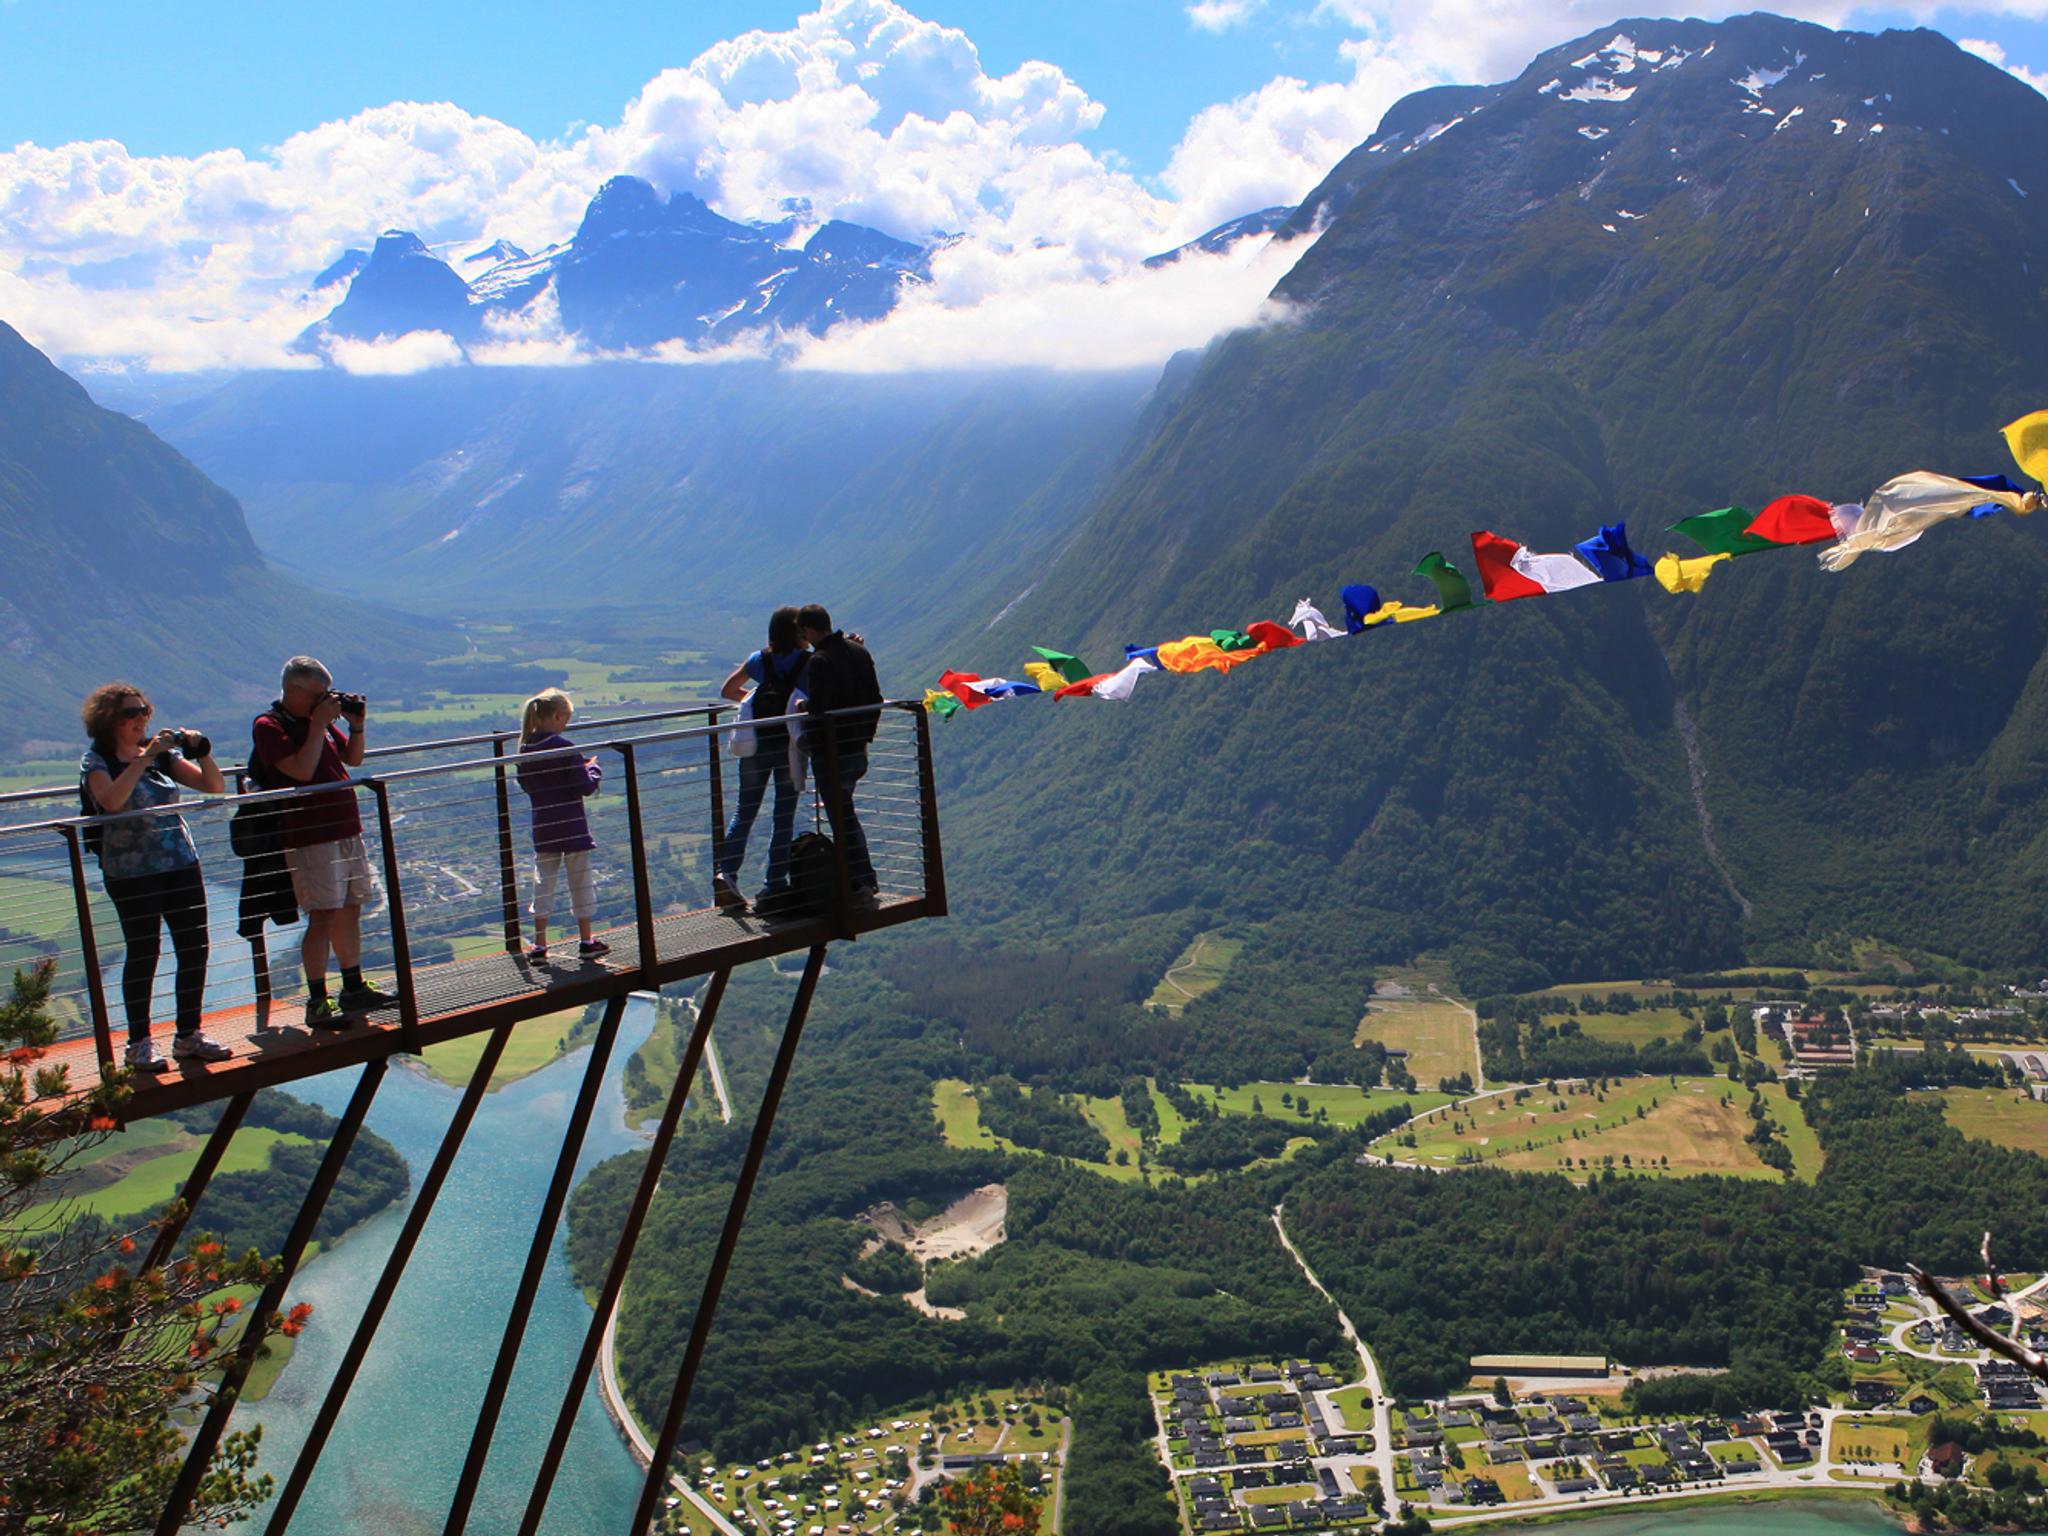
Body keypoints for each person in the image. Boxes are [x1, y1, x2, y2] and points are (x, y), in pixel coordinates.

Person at [79, 683, 232, 1069]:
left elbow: (212, 785)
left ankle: (188, 1034)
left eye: (143, 709)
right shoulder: (96, 760)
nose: (141, 718)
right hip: (131, 873)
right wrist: (144, 759)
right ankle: (139, 1043)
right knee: (144, 951)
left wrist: (203, 752)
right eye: (131, 713)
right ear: (110, 720)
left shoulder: (162, 755)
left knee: (194, 946)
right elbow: (111, 802)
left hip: (180, 862)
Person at [250, 657, 392, 1029]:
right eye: (317, 694)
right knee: (322, 915)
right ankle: (317, 1000)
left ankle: (353, 985)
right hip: (310, 836)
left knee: (351, 906)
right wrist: (317, 726)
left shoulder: (321, 723)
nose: (324, 701)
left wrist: (356, 727)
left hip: (345, 827)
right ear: (293, 691)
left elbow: (353, 759)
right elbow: (299, 771)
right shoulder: (270, 725)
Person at [714, 607, 810, 912]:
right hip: (788, 746)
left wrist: (752, 699)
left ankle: (725, 872)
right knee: (783, 816)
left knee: (745, 811)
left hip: (755, 744)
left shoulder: (759, 659)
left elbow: (728, 690)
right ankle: (774, 883)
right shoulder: (807, 663)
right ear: (799, 632)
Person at [795, 604, 883, 910]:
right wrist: (865, 738)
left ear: (808, 630)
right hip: (858, 747)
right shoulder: (859, 652)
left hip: (833, 753)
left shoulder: (820, 661)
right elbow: (875, 698)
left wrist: (805, 719)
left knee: (843, 819)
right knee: (846, 814)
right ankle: (859, 880)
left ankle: (863, 881)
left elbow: (820, 710)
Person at [514, 688, 608, 962]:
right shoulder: (566, 749)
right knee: (580, 881)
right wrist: (593, 769)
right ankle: (587, 940)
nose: (566, 725)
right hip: (572, 826)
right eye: (566, 719)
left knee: (543, 882)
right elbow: (585, 787)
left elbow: (527, 785)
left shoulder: (525, 749)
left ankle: (540, 945)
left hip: (543, 826)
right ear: (557, 716)